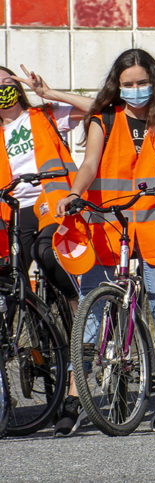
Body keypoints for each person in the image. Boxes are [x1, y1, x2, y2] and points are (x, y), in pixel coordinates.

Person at [55, 48, 155, 433]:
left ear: (154, 82)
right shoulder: (104, 119)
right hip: (107, 226)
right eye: (128, 84)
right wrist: (75, 193)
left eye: (142, 83)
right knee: (92, 312)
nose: (135, 90)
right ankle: (77, 397)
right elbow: (90, 165)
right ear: (118, 86)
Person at [0, 65, 91, 437]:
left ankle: (76, 307)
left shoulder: (45, 115)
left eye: (8, 84)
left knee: (48, 254)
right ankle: (35, 342)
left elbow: (99, 106)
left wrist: (49, 92)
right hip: (12, 211)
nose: (3, 90)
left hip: (51, 204)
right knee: (11, 286)